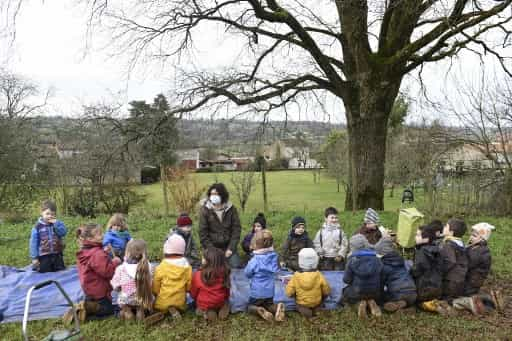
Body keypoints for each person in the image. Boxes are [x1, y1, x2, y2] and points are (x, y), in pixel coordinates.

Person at [72, 223, 122, 322]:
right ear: (90, 239)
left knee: (100, 302)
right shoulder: (97, 254)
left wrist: (104, 253)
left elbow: (95, 263)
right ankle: (90, 313)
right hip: (100, 291)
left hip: (90, 288)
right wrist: (115, 262)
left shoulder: (86, 251)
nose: (103, 235)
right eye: (99, 234)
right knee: (113, 309)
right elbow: (108, 272)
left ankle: (90, 304)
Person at [453, 223, 504, 314]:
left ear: (482, 238)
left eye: (475, 236)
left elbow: (465, 265)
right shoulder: (474, 248)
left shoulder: (479, 252)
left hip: (469, 285)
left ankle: (482, 303)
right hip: (470, 283)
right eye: (471, 235)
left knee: (453, 302)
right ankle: (488, 299)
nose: (471, 237)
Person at [244, 230, 285, 322]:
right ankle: (276, 308)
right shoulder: (274, 257)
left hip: (257, 292)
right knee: (269, 305)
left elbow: (247, 273)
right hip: (270, 291)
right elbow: (278, 269)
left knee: (249, 307)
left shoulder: (254, 260)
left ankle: (257, 310)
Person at [199, 183, 242, 268]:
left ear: (222, 195)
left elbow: (236, 230)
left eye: (216, 194)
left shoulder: (231, 209)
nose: (213, 196)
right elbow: (202, 233)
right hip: (212, 247)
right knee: (211, 267)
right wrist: (212, 250)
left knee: (235, 265)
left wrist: (231, 248)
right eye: (211, 194)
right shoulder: (205, 210)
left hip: (227, 246)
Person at [111, 239, 153, 321]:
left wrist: (118, 289)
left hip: (125, 298)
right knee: (140, 309)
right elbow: (150, 281)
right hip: (141, 296)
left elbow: (115, 285)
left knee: (122, 302)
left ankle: (128, 313)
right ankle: (140, 317)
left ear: (128, 253)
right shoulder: (147, 266)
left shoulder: (121, 268)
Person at [152, 234, 192, 319]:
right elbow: (189, 286)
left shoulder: (161, 267)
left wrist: (155, 293)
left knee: (159, 303)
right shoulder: (187, 267)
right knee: (187, 300)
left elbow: (156, 285)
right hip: (180, 301)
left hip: (163, 301)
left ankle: (164, 311)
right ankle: (174, 308)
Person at [411, 224, 449, 315]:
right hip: (438, 289)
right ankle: (439, 302)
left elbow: (416, 271)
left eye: (418, 235)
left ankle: (429, 305)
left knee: (417, 303)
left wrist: (410, 271)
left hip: (424, 290)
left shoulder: (422, 252)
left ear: (426, 238)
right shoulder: (439, 250)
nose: (415, 237)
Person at [342, 234, 382, 319]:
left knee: (345, 293)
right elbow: (381, 274)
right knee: (374, 293)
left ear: (352, 247)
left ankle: (359, 304)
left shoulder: (351, 260)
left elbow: (346, 280)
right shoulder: (377, 259)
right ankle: (371, 301)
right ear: (366, 243)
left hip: (358, 292)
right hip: (375, 291)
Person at [285, 248, 330, 318]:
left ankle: (306, 312)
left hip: (302, 302)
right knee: (319, 304)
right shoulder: (318, 274)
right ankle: (317, 310)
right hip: (316, 301)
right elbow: (326, 289)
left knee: (299, 306)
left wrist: (291, 294)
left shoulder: (296, 276)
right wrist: (325, 295)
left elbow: (289, 292)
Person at [375, 238, 417, 313]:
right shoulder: (401, 261)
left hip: (397, 293)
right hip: (412, 291)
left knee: (384, 297)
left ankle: (395, 304)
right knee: (407, 299)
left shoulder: (384, 266)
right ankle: (407, 306)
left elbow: (380, 284)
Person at [190, 247, 230, 321]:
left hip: (204, 303)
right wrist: (226, 298)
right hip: (219, 301)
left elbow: (193, 292)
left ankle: (206, 312)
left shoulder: (198, 274)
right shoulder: (224, 273)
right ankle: (222, 309)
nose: (202, 258)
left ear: (206, 261)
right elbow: (227, 289)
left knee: (199, 310)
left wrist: (194, 298)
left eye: (203, 257)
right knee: (224, 302)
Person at [29, 200, 67, 273]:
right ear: (41, 213)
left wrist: (56, 224)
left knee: (61, 271)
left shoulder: (58, 224)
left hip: (57, 254)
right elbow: (33, 243)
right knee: (44, 272)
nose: (50, 216)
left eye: (52, 214)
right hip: (44, 255)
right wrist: (34, 258)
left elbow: (63, 233)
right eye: (47, 214)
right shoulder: (37, 227)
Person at [440, 218, 468, 303]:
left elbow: (450, 261)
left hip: (450, 281)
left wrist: (440, 272)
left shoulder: (449, 245)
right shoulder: (460, 243)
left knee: (446, 300)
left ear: (451, 232)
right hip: (459, 280)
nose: (444, 227)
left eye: (446, 226)